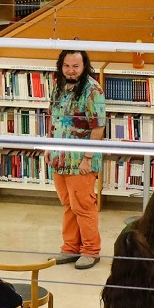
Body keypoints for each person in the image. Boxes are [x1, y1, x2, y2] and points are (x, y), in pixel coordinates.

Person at [45, 49, 106, 270]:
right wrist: (48, 145)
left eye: (75, 66)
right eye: (67, 66)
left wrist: (87, 158)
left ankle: (91, 251)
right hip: (59, 158)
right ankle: (70, 247)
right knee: (68, 205)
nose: (70, 71)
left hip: (81, 160)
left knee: (83, 206)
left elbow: (98, 128)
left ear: (84, 66)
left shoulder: (93, 91)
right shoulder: (58, 86)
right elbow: (53, 117)